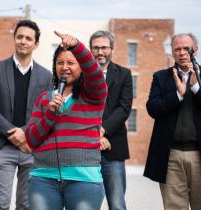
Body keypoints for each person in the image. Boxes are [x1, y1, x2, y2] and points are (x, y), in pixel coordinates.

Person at [26, 31, 108, 210]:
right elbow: (31, 139)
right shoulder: (44, 99)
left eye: (71, 62)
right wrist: (50, 114)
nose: (64, 67)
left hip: (84, 181)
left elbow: (95, 74)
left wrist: (78, 47)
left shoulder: (93, 95)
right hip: (44, 180)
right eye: (60, 63)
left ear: (81, 67)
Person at [0, 19, 52, 210]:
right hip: (2, 146)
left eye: (28, 38)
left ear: (36, 44)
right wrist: (14, 133)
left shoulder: (46, 76)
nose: (23, 41)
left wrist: (25, 134)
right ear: (14, 39)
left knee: (26, 205)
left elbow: (46, 114)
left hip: (31, 148)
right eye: (19, 36)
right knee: (1, 204)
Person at [144, 33, 201, 210]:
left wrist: (196, 87)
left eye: (187, 48)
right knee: (174, 206)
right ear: (173, 53)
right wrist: (178, 95)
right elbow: (152, 108)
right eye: (177, 49)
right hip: (171, 155)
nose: (182, 53)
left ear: (195, 50)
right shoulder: (161, 77)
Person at [90, 30, 133, 210]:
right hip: (85, 149)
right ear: (90, 50)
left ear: (112, 49)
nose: (100, 52)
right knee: (87, 204)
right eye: (96, 48)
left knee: (117, 204)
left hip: (114, 148)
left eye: (104, 48)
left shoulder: (124, 74)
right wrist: (95, 135)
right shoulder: (81, 75)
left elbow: (124, 108)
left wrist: (102, 130)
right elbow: (78, 108)